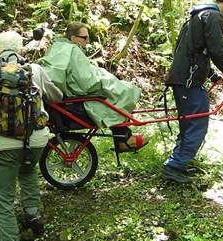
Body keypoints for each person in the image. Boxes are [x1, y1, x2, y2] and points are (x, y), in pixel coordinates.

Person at [0, 31, 57, 241]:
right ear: (20, 48)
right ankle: (33, 215)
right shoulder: (35, 69)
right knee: (28, 169)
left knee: (2, 198)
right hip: (35, 140)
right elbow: (57, 95)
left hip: (3, 143)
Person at [162, 0, 223, 183]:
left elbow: (195, 50)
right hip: (189, 81)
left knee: (189, 123)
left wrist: (212, 75)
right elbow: (217, 51)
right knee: (197, 123)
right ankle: (174, 166)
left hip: (184, 78)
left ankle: (178, 163)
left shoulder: (197, 15)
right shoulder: (214, 16)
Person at [38, 22, 149, 152]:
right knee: (122, 93)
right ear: (73, 38)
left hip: (68, 99)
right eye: (84, 38)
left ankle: (123, 137)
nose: (87, 41)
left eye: (88, 38)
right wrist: (104, 81)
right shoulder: (72, 50)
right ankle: (124, 139)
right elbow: (85, 82)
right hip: (76, 101)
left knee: (117, 94)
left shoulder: (58, 47)